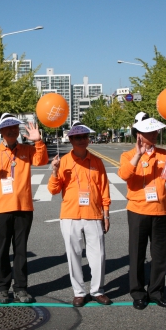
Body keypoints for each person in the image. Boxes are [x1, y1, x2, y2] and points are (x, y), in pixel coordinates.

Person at [0, 113, 48, 304]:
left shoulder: (26, 150)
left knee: (21, 250)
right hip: (0, 209)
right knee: (2, 250)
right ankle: (2, 288)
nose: (12, 131)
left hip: (23, 207)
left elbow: (42, 160)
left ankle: (21, 288)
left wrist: (39, 142)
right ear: (1, 132)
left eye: (14, 127)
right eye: (7, 128)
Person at [48, 121, 112, 307]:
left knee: (98, 254)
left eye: (84, 137)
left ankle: (97, 290)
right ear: (71, 139)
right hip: (70, 214)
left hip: (93, 213)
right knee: (73, 254)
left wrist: (106, 214)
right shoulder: (63, 162)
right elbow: (53, 190)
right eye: (78, 137)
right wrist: (54, 171)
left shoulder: (97, 162)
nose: (82, 140)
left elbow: (104, 190)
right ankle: (79, 292)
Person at [119, 112, 166, 310]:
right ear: (138, 134)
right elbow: (124, 175)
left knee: (159, 254)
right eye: (148, 131)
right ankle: (137, 293)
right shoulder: (128, 155)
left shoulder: (163, 153)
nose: (154, 134)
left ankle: (156, 292)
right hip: (137, 210)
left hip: (160, 210)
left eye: (155, 131)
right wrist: (137, 154)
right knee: (136, 253)